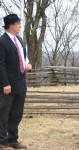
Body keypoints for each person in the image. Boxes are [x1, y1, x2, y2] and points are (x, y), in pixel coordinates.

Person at [0, 14, 32, 149]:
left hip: (20, 82)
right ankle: (2, 140)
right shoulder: (2, 41)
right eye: (18, 23)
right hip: (7, 84)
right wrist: (5, 83)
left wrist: (27, 65)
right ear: (11, 25)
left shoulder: (19, 40)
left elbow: (22, 58)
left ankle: (13, 139)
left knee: (16, 112)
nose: (20, 26)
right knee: (3, 112)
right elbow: (0, 64)